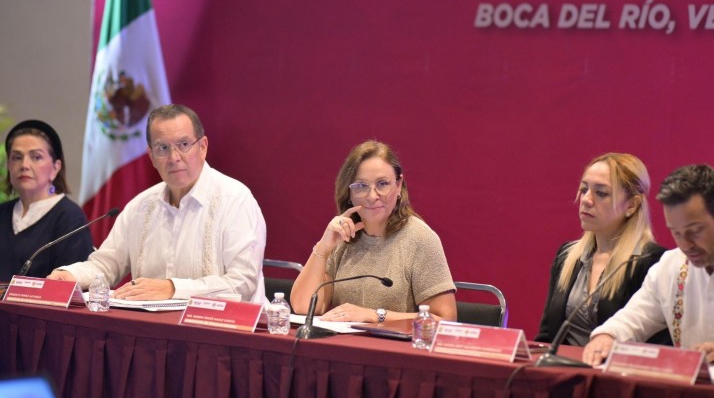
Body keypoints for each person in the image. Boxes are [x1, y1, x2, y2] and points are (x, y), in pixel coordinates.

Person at [48, 104, 267, 302]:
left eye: (184, 144)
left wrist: (172, 288)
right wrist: (70, 275)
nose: (174, 157)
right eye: (162, 148)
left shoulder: (235, 200)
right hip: (154, 329)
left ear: (203, 147)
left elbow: (242, 283)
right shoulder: (140, 207)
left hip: (225, 330)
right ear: (151, 156)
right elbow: (106, 265)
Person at [584, 164, 714, 365]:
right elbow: (632, 318)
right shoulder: (670, 266)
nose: (685, 245)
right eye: (676, 233)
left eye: (695, 231)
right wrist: (607, 336)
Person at [290, 140, 456, 323]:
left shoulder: (421, 239)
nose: (372, 196)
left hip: (396, 342)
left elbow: (445, 319)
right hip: (342, 341)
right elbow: (303, 307)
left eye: (382, 184)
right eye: (361, 186)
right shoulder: (343, 236)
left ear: (399, 185)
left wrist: (374, 315)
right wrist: (323, 248)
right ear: (349, 193)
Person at [535, 153, 668, 346]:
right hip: (563, 364)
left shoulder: (651, 261)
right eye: (584, 189)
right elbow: (546, 338)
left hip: (616, 365)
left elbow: (655, 345)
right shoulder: (567, 256)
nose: (586, 200)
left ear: (632, 205)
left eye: (601, 193)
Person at [0, 120, 93, 280]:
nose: (24, 165)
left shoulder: (69, 218)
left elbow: (69, 286)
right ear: (8, 165)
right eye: (17, 157)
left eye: (36, 157)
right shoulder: (2, 212)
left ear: (56, 167)